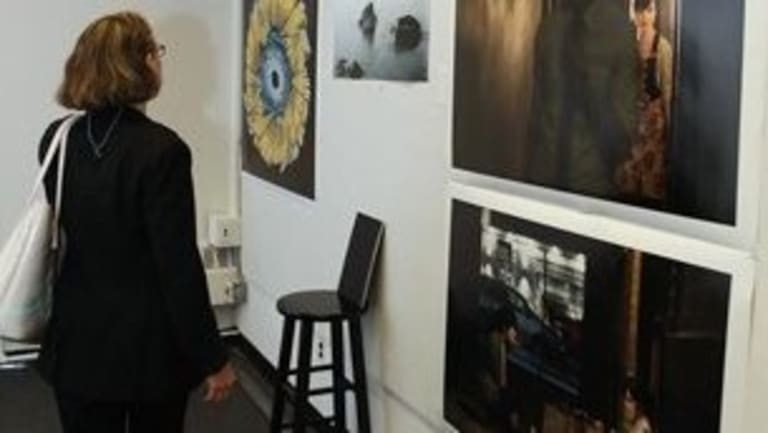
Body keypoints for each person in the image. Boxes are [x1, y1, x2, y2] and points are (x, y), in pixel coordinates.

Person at [34, 12, 236, 433]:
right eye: (156, 51)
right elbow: (177, 267)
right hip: (149, 352)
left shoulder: (57, 139)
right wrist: (213, 358)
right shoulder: (163, 151)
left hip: (77, 343)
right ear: (141, 61)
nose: (160, 60)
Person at [616, 0, 674, 201]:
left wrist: (668, 120)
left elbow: (667, 86)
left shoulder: (663, 46)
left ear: (654, 12)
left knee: (652, 174)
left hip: (653, 118)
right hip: (630, 116)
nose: (643, 17)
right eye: (639, 11)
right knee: (628, 173)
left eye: (648, 11)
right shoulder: (626, 42)